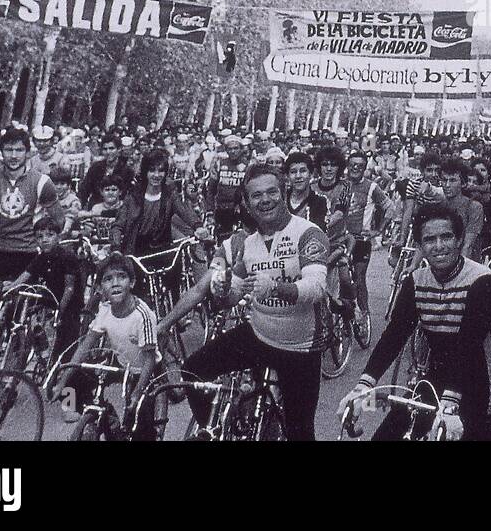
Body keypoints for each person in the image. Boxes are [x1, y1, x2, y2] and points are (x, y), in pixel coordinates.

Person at [158, 164, 329, 440]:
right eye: (256, 196)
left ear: (283, 191)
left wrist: (276, 287)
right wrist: (223, 289)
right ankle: (216, 429)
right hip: (259, 336)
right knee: (193, 370)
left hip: (300, 348)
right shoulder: (249, 244)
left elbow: (317, 286)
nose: (265, 200)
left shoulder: (308, 233)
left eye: (271, 191)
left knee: (301, 434)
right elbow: (232, 296)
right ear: (247, 204)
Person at [340, 202, 491, 440]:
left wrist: (450, 404)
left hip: (482, 375)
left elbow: (469, 343)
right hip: (438, 371)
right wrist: (364, 387)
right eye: (429, 240)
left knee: (469, 431)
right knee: (393, 430)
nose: (439, 246)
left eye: (446, 237)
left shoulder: (483, 281)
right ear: (419, 245)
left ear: (459, 240)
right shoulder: (416, 281)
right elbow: (394, 336)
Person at [56, 253, 162, 437]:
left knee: (138, 424)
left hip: (145, 371)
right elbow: (85, 346)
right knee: (73, 380)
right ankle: (103, 414)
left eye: (122, 277)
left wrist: (136, 393)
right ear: (99, 288)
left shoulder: (142, 316)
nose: (115, 283)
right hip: (121, 364)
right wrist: (63, 381)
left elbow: (150, 360)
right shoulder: (105, 310)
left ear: (132, 283)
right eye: (108, 279)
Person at [0, 125, 63, 282]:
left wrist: (46, 247)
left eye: (19, 150)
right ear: (1, 151)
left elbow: (59, 221)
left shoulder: (42, 182)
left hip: (30, 253)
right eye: (8, 150)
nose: (13, 155)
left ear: (28, 152)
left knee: (26, 300)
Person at [5, 216, 83, 366]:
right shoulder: (41, 257)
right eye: (40, 237)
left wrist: (61, 310)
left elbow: (69, 287)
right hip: (48, 299)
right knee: (29, 318)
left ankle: (61, 367)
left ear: (58, 237)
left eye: (50, 235)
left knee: (66, 339)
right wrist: (13, 286)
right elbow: (27, 274)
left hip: (68, 303)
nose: (44, 240)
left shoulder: (67, 257)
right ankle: (36, 351)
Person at [341, 149, 392, 333]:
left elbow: (389, 208)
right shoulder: (340, 185)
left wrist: (378, 230)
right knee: (340, 279)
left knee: (360, 278)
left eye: (360, 166)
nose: (356, 168)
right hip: (340, 239)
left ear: (365, 168)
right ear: (347, 166)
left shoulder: (371, 187)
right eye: (353, 165)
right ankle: (344, 314)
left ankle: (364, 314)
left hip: (361, 240)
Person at [203, 133, 250, 239]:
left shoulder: (248, 166)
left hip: (240, 211)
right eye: (230, 149)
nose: (233, 151)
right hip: (221, 210)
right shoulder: (219, 164)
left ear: (241, 149)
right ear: (226, 150)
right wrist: (209, 211)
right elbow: (211, 190)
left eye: (236, 148)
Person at [440, 158, 485, 262]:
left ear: (463, 184)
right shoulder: (439, 206)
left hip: (466, 263)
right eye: (444, 180)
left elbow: (468, 245)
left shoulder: (474, 207)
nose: (447, 185)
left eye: (452, 180)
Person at [77, 132, 133, 208]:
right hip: (95, 207)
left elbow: (129, 195)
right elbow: (84, 190)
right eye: (105, 149)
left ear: (119, 149)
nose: (108, 152)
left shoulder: (127, 171)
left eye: (111, 148)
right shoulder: (95, 168)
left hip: (118, 210)